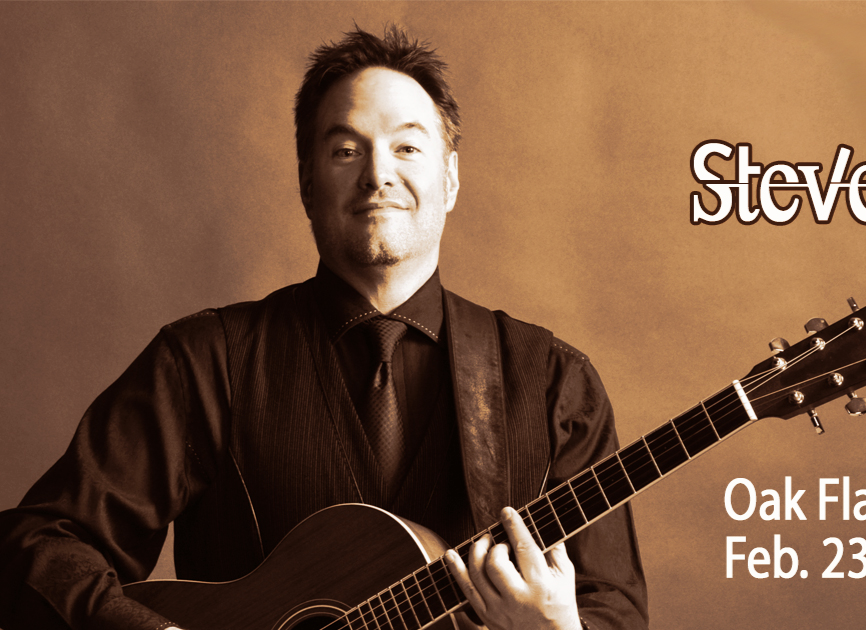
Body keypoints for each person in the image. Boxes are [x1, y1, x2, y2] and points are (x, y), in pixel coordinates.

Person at [0, 26, 648, 630]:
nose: (377, 174)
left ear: (449, 179)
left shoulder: (552, 383)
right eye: (346, 149)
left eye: (408, 147)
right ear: (309, 183)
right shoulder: (203, 363)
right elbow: (37, 546)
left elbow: (614, 612)